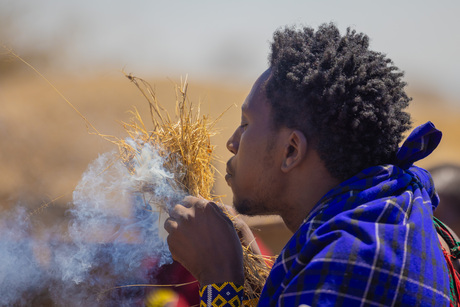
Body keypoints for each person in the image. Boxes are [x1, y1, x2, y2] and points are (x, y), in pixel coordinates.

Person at [164, 23, 460, 306]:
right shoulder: (387, 221)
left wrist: (219, 277)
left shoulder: (352, 262)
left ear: (291, 150)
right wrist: (257, 276)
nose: (232, 142)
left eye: (245, 124)